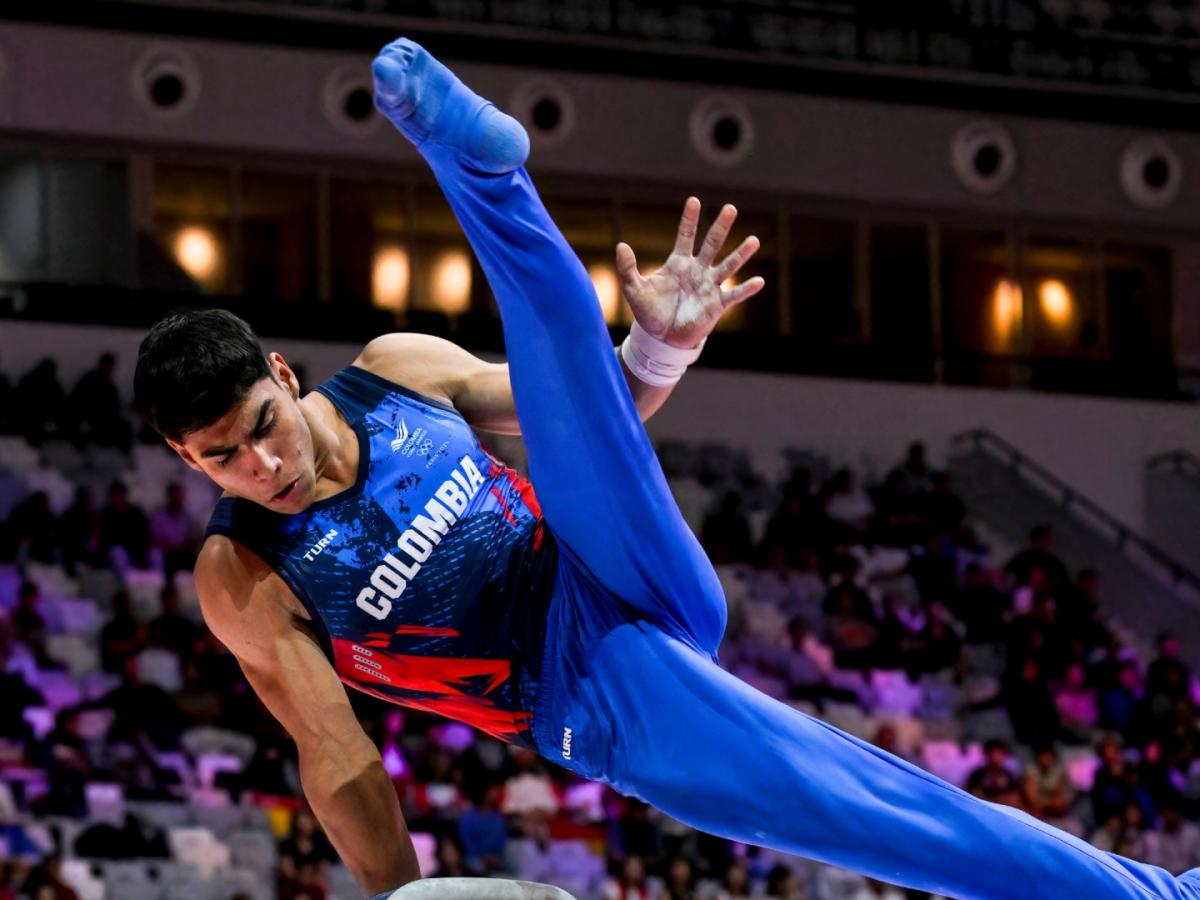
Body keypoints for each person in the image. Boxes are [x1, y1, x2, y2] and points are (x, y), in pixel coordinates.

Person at [133, 38, 1200, 900]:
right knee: (861, 805)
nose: (260, 462)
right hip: (578, 684)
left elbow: (586, 416)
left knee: (562, 368)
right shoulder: (246, 574)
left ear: (280, 370)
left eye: (260, 422)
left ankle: (480, 166)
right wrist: (400, 897)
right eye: (217, 457)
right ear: (185, 459)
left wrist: (659, 352)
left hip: (606, 554)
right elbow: (336, 752)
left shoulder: (392, 373)